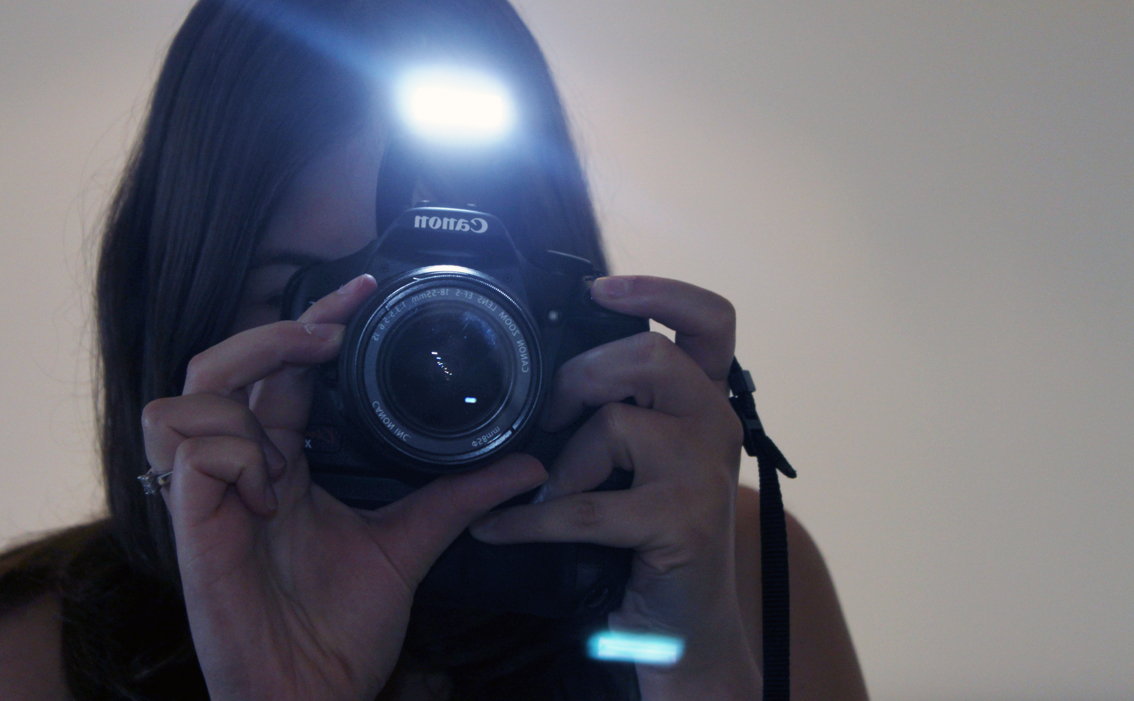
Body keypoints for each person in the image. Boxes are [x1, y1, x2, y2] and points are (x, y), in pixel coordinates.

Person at [0, 0, 868, 698]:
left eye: (459, 298)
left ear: (564, 308)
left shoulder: (734, 567)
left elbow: (693, 638)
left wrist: (694, 660)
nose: (405, 358)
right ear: (184, 304)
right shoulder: (28, 650)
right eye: (315, 294)